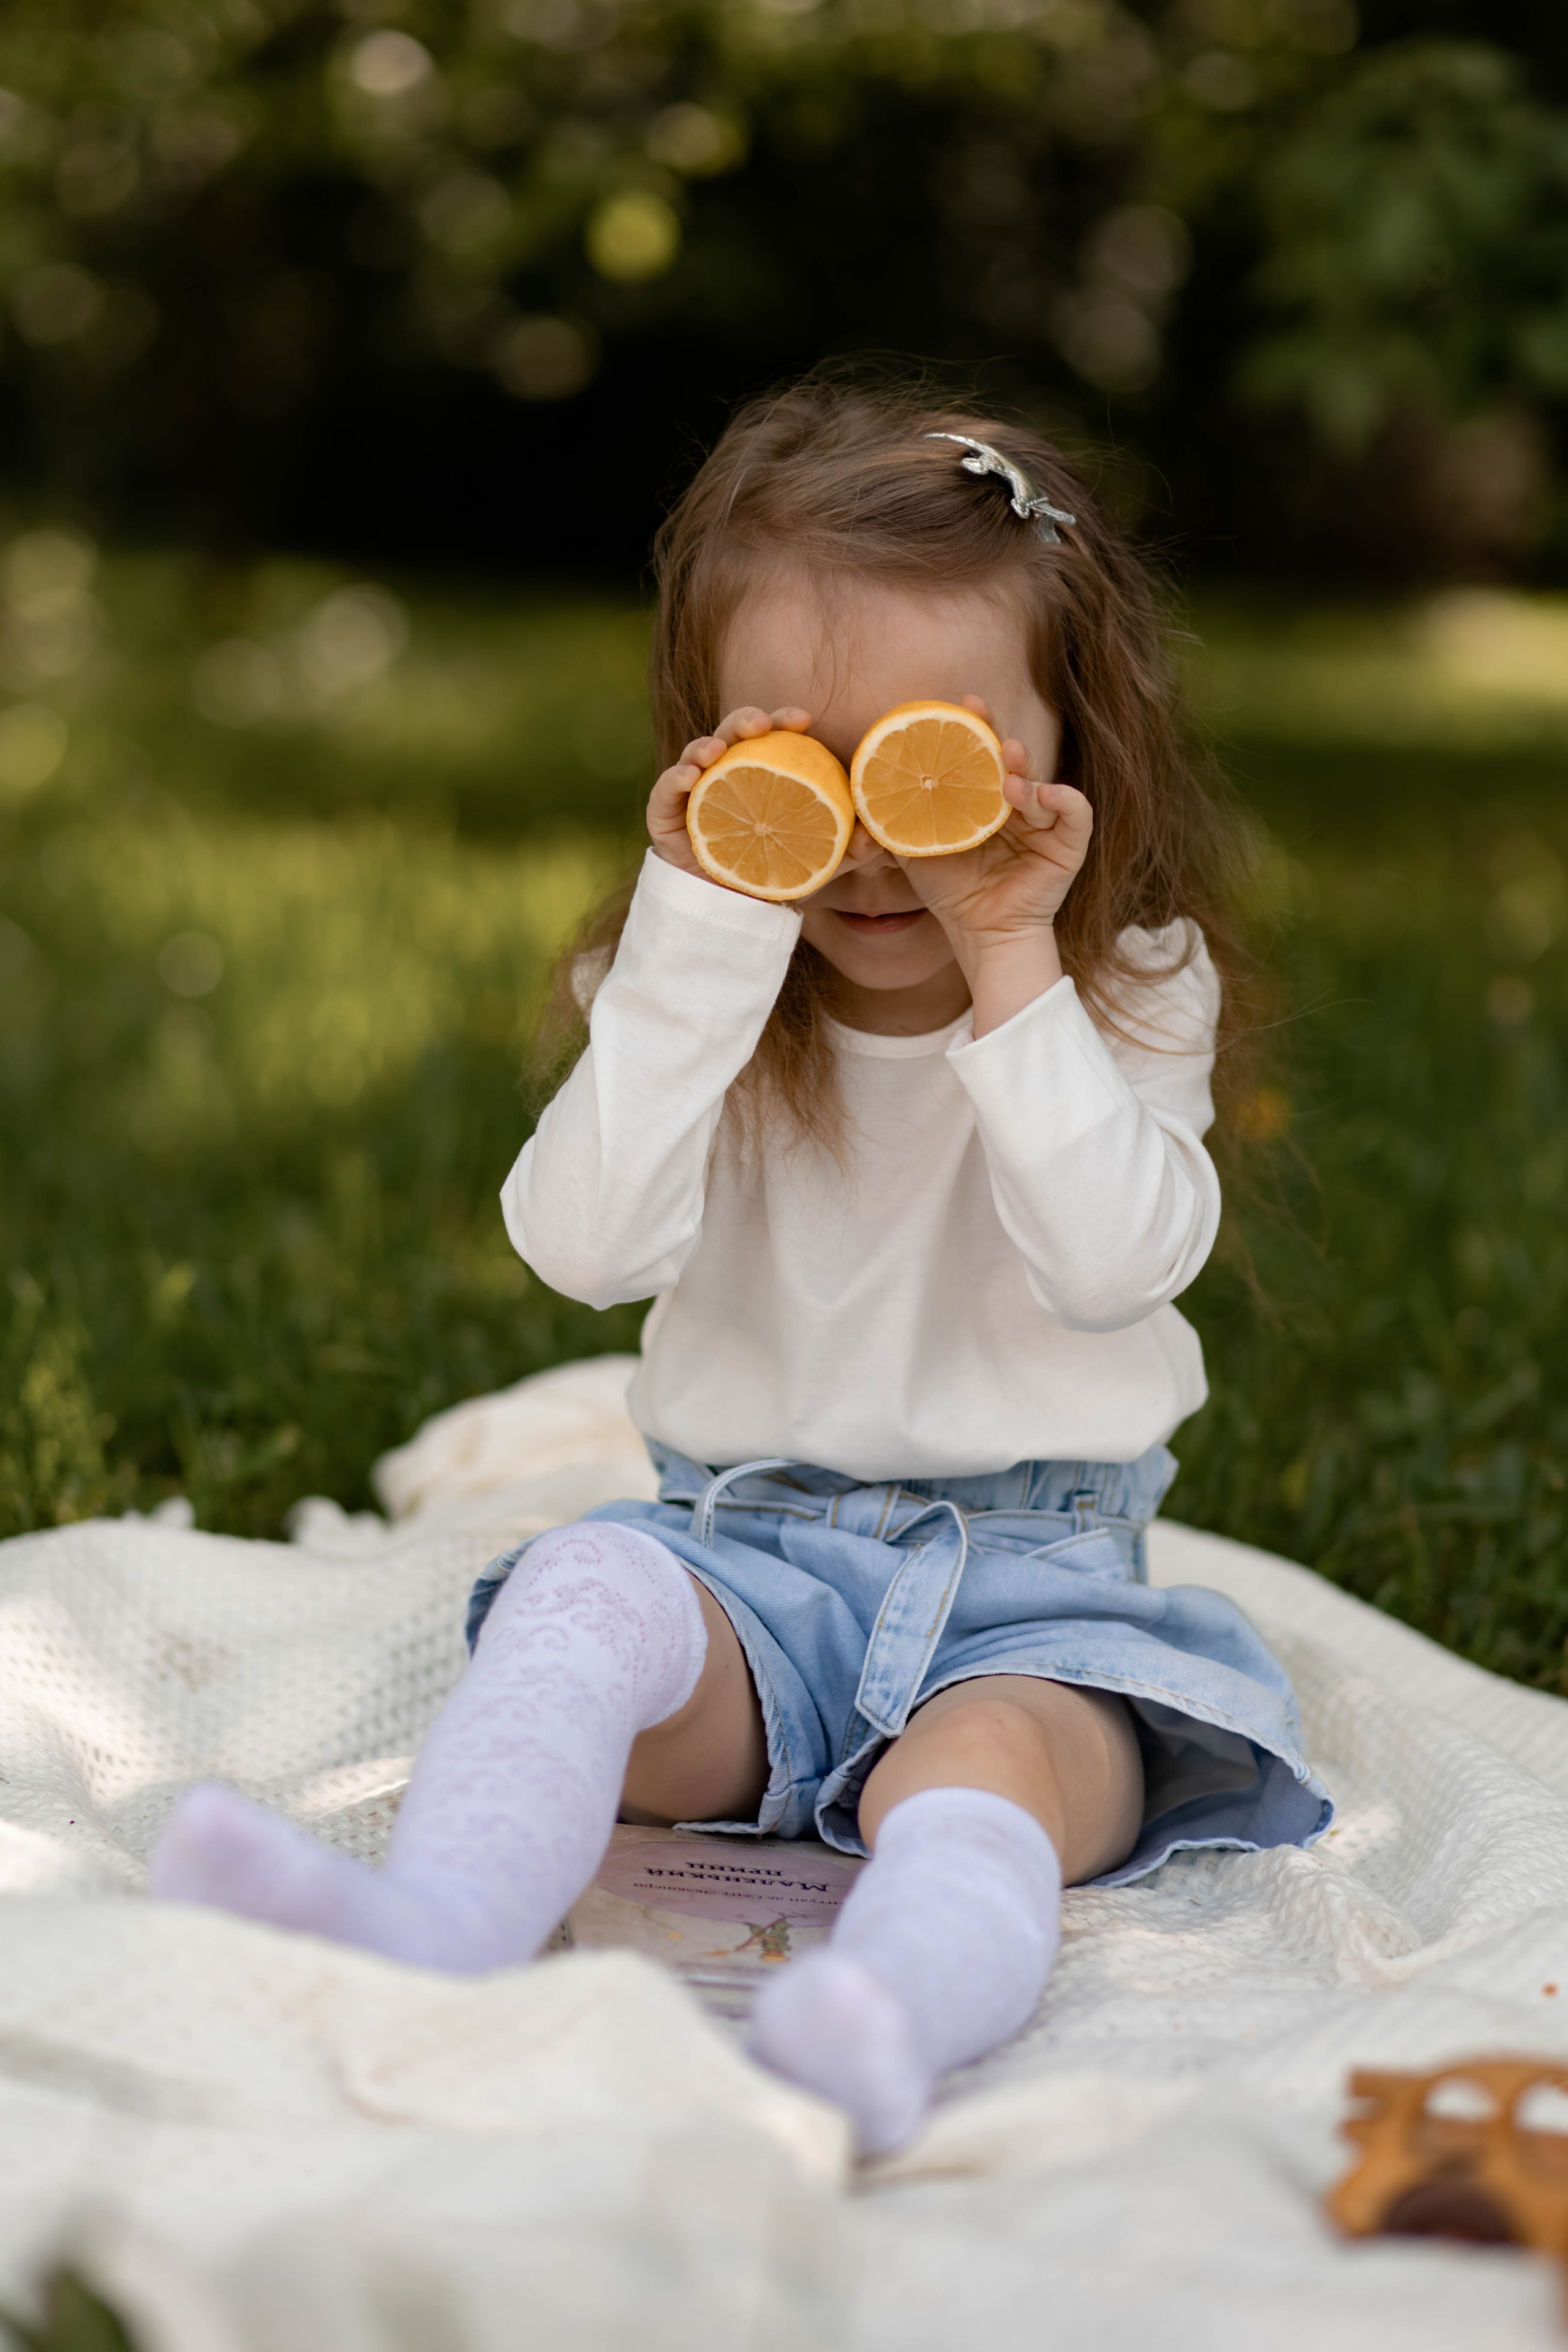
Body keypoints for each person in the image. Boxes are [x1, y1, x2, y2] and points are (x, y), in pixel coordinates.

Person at [153, 378, 1332, 2155]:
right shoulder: (696, 990)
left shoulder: (1126, 990)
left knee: (987, 1777)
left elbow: (1114, 1270)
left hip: (1040, 1599)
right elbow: (579, 1248)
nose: (862, 838)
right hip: (744, 1564)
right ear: (712, 749)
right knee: (577, 1605)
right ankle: (432, 1929)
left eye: (928, 763)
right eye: (799, 760)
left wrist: (1009, 952)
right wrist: (700, 933)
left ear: (1067, 743)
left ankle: (875, 2025)